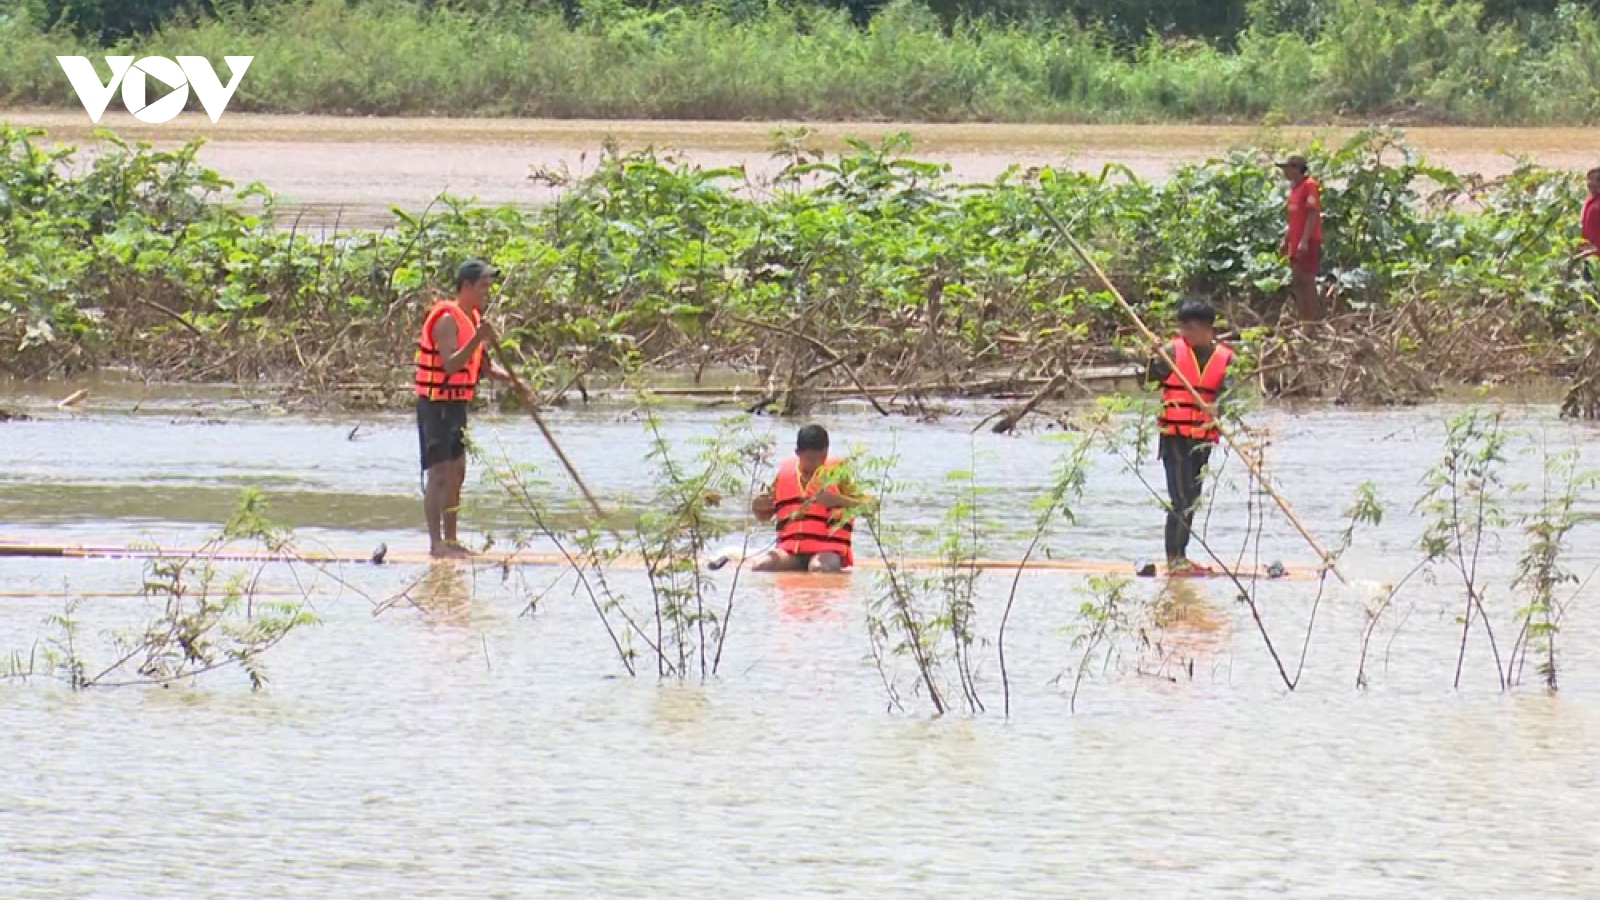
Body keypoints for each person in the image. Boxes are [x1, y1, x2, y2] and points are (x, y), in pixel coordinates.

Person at [414, 259, 504, 559]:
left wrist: (516, 384)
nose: (486, 293)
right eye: (482, 286)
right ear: (466, 287)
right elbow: (451, 364)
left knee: (457, 472)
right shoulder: (446, 320)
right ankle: (435, 543)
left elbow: (484, 368)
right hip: (435, 402)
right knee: (438, 473)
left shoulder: (473, 318)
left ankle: (452, 540)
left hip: (456, 404)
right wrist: (479, 338)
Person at [1148, 298, 1234, 576]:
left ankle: (1181, 554)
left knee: (1193, 496)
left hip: (1202, 437)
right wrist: (1152, 360)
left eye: (1193, 327)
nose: (1187, 333)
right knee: (1180, 497)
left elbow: (1230, 394)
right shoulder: (1172, 352)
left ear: (1208, 329)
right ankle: (1174, 558)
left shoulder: (1226, 358)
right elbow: (1150, 378)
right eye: (1183, 327)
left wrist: (1220, 406)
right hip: (1174, 436)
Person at [750, 424, 862, 573]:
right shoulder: (784, 473)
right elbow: (764, 517)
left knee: (819, 568)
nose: (816, 464)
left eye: (821, 458)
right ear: (798, 453)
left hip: (827, 551)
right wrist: (757, 507)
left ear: (826, 452)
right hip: (790, 550)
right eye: (810, 459)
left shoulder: (838, 474)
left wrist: (838, 500)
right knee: (761, 566)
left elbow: (870, 506)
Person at [1278, 154, 1323, 321]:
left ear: (1296, 168)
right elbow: (1293, 219)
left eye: (1287, 168)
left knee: (1307, 281)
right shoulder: (1294, 190)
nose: (1285, 172)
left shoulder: (1309, 185)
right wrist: (1286, 240)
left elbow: (1312, 214)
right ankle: (1302, 319)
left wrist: (1304, 241)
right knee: (1297, 281)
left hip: (1308, 242)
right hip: (1296, 243)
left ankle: (1310, 322)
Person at [1576, 167, 1600, 267]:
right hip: (1587, 254)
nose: (1588, 183)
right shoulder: (1589, 201)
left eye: (1592, 180)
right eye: (1587, 179)